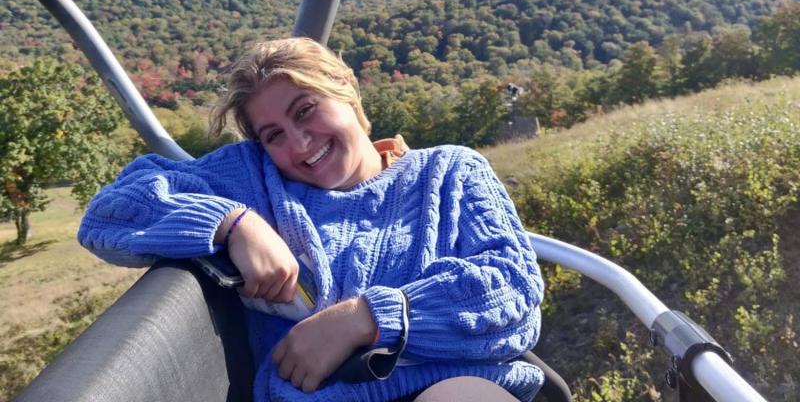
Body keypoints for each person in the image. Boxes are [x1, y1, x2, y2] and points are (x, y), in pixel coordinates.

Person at [79, 37, 545, 402]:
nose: (300, 144)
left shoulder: (448, 173)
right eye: (274, 134)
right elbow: (109, 212)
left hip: (446, 386)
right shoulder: (255, 179)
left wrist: (367, 318)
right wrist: (233, 222)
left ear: (346, 89)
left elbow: (515, 289)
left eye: (306, 110)